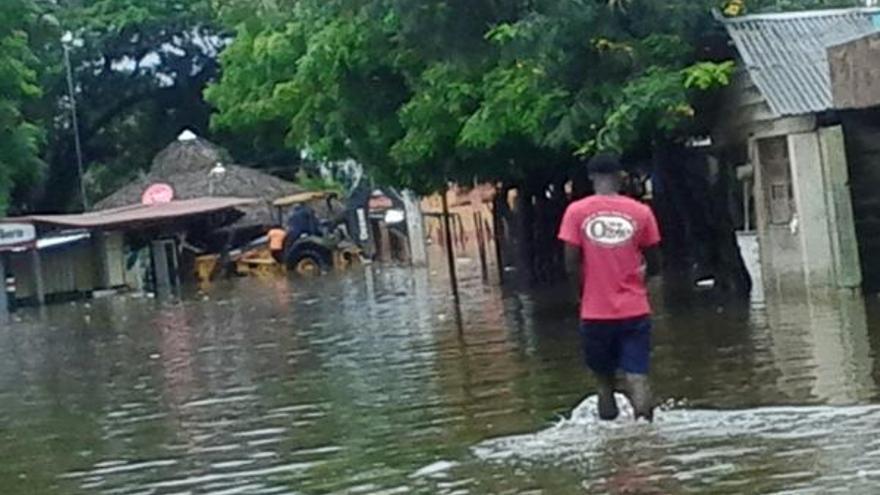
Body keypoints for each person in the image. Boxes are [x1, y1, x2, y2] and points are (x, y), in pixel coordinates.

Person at [558, 153, 662, 422]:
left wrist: (582, 296)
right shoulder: (641, 212)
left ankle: (610, 443)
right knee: (637, 377)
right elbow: (656, 262)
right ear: (621, 177)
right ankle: (647, 435)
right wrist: (641, 281)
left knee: (604, 384)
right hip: (635, 311)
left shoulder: (576, 212)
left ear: (591, 177)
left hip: (595, 313)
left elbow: (570, 263)